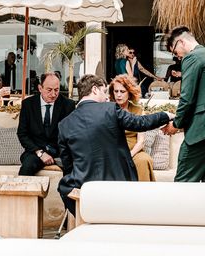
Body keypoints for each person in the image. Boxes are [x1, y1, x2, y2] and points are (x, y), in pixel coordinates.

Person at [58, 74, 173, 215]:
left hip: (85, 187)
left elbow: (68, 164)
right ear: (95, 90)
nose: (107, 97)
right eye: (104, 91)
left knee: (63, 186)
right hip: (118, 183)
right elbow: (140, 123)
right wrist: (166, 115)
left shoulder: (64, 124)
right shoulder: (110, 109)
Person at [162, 26, 205, 182]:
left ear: (180, 42)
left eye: (174, 52)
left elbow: (186, 98)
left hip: (200, 132)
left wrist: (176, 123)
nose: (177, 57)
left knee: (183, 184)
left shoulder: (192, 57)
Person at [16, 73, 75, 175]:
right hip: (36, 151)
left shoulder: (68, 105)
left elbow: (72, 134)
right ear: (40, 88)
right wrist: (40, 152)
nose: (53, 94)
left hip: (60, 151)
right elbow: (22, 134)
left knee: (74, 171)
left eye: (56, 90)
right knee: (26, 168)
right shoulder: (28, 104)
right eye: (49, 90)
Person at [109, 74, 156, 181]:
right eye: (116, 91)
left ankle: (143, 195)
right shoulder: (108, 110)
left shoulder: (138, 110)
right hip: (114, 151)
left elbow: (141, 141)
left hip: (134, 151)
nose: (118, 95)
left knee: (144, 160)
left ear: (129, 93)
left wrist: (129, 155)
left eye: (122, 91)